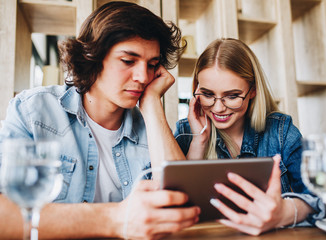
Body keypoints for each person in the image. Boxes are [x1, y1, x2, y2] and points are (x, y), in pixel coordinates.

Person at [0, 1, 200, 239]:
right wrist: (115, 218)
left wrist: (153, 105)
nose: (143, 76)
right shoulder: (34, 111)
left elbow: (179, 209)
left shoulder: (152, 128)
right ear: (92, 57)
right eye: (128, 61)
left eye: (152, 65)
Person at [174, 38, 325, 235]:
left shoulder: (281, 131)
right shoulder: (185, 133)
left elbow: (322, 198)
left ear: (252, 91)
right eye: (208, 94)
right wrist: (199, 141)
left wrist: (284, 212)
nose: (218, 108)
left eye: (232, 96)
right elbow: (175, 209)